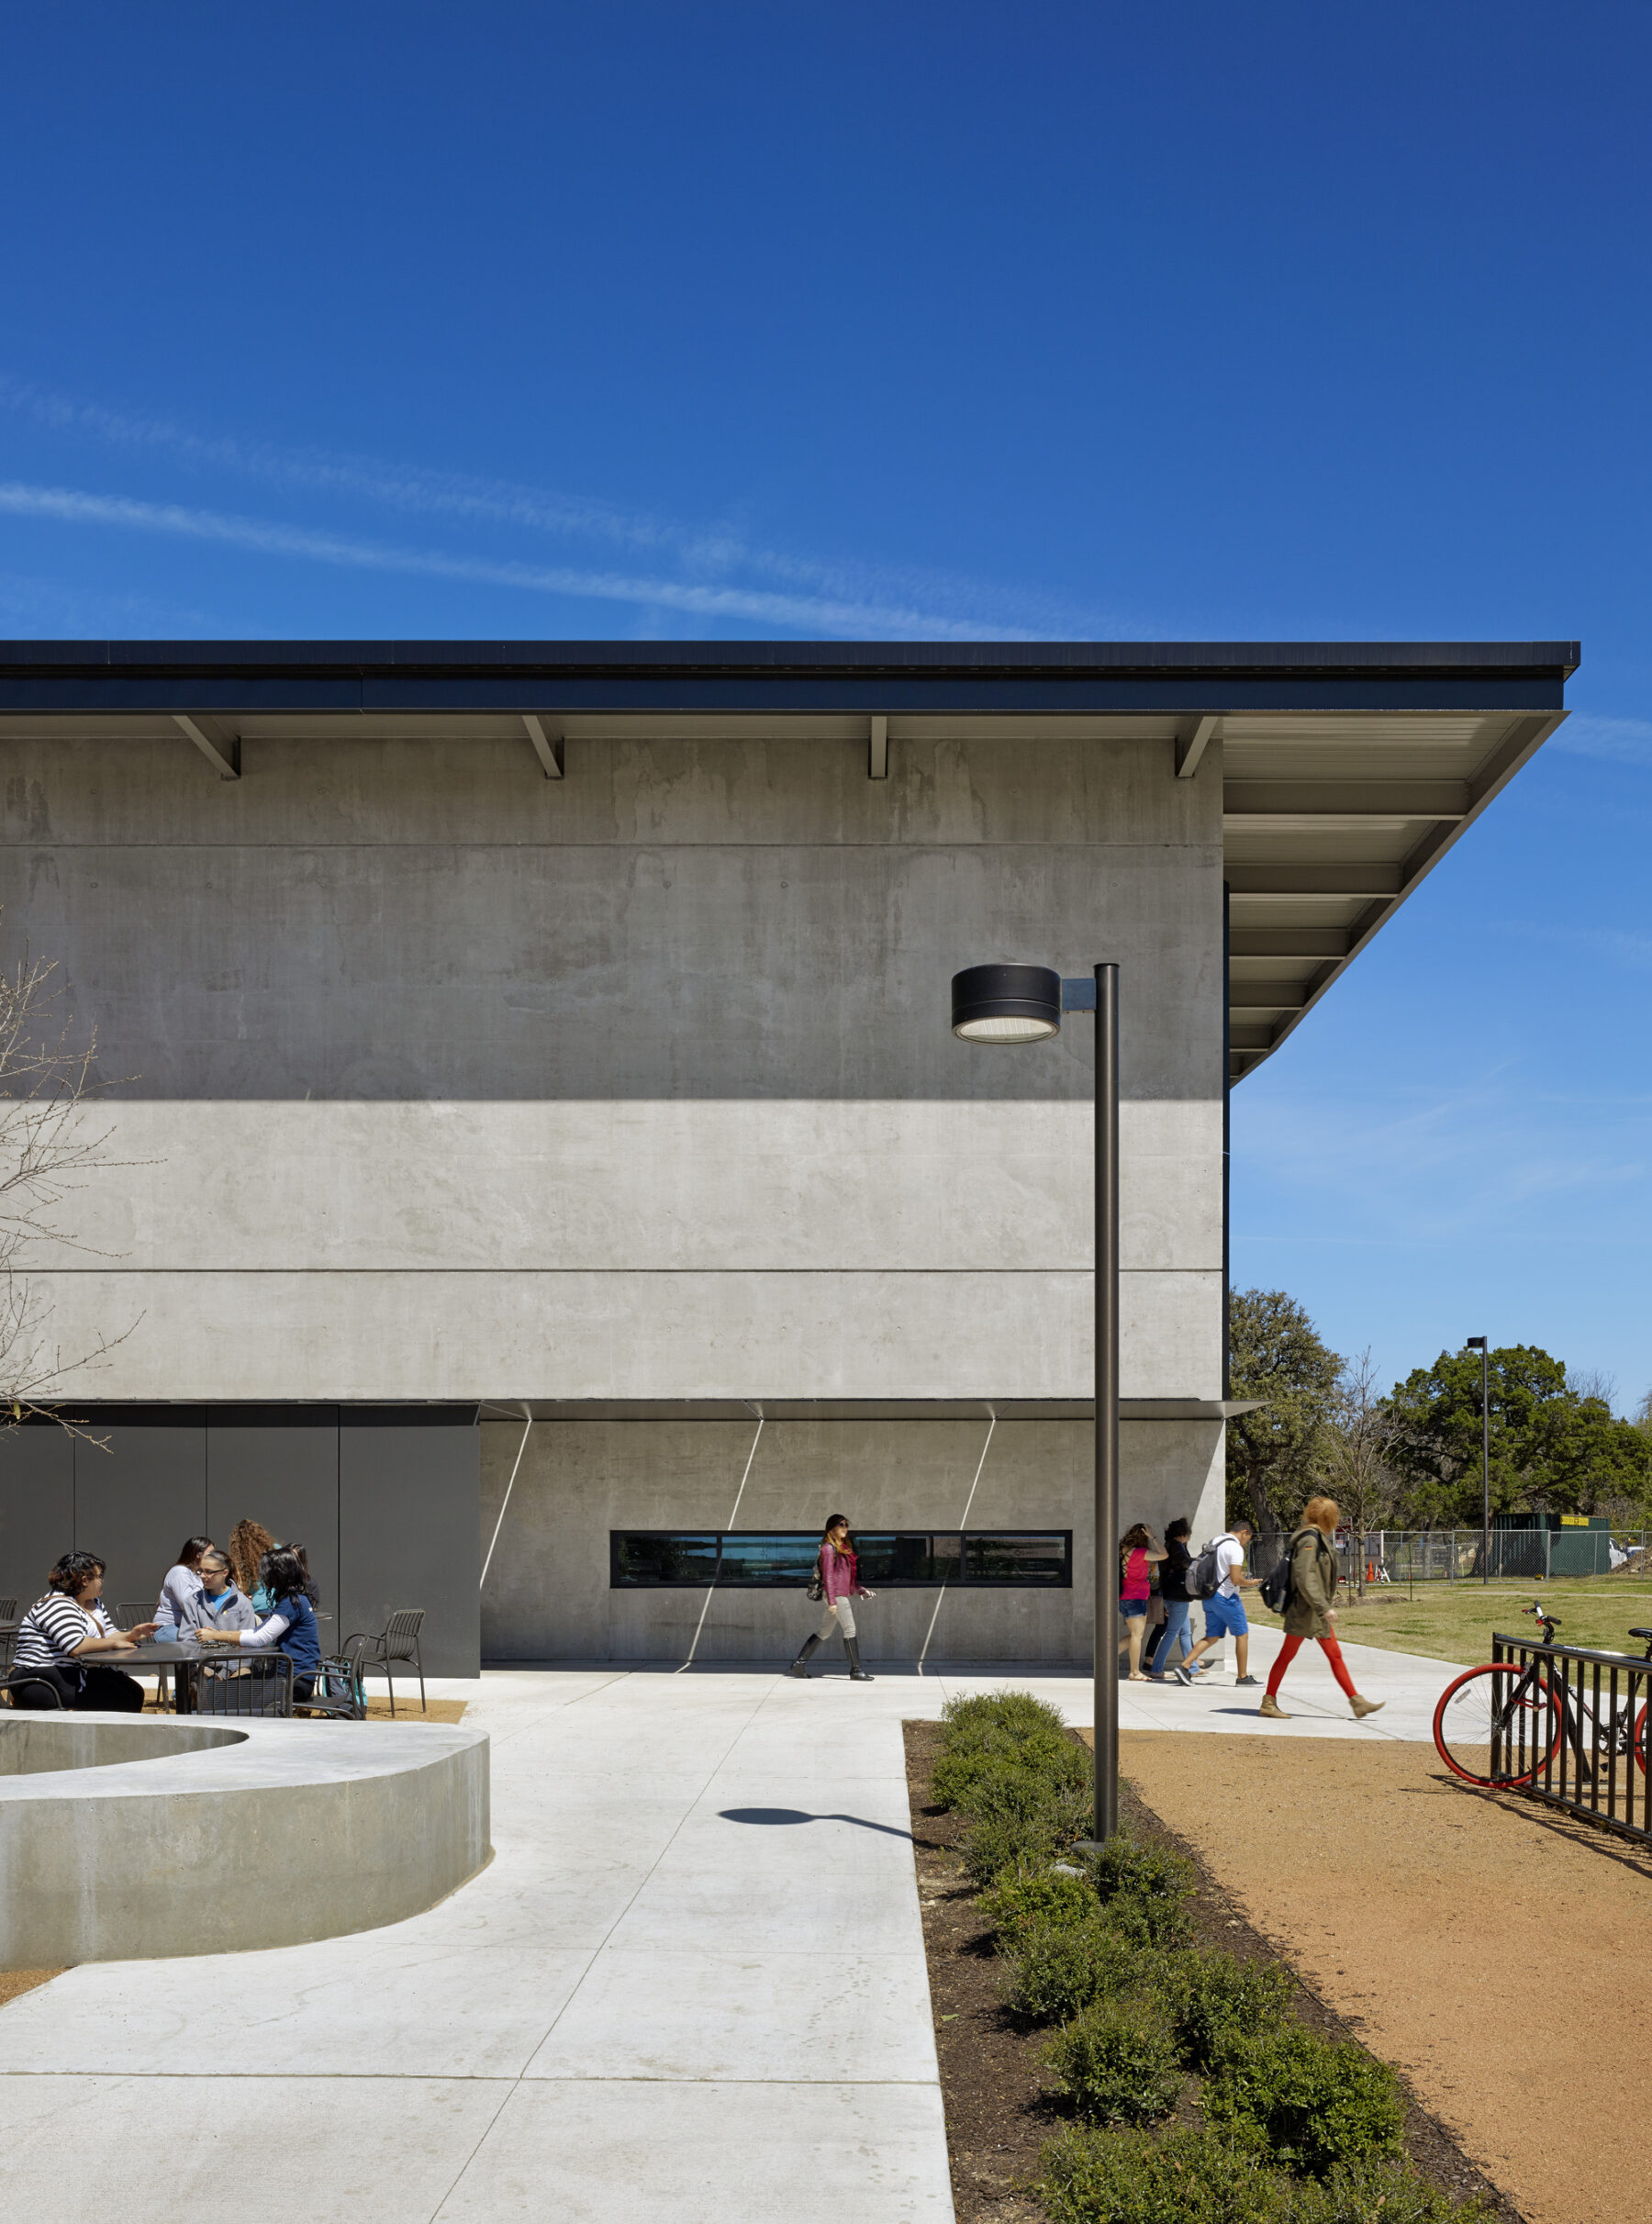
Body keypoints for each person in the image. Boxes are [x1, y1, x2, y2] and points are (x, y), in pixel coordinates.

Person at [1259, 1495, 1384, 1721]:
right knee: (1288, 1656)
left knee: (1333, 1655)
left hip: (1312, 1611)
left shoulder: (1316, 1537)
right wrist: (1323, 1607)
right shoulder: (1311, 1539)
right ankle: (1268, 1701)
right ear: (1329, 1518)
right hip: (1306, 1610)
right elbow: (1304, 1576)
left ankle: (1357, 1702)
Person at [8, 1551, 157, 1710]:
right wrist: (114, 1643)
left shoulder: (94, 1603)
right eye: (100, 1576)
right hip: (41, 1678)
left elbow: (109, 1634)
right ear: (85, 1580)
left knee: (134, 1692)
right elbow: (75, 1646)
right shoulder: (57, 1604)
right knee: (120, 1699)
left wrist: (131, 1635)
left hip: (74, 1673)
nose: (102, 1581)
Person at [193, 1542, 321, 1701]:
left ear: (279, 1573)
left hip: (294, 1681)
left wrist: (216, 1636)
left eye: (268, 1572)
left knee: (219, 1695)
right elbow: (257, 1631)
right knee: (219, 1691)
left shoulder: (292, 1602)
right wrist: (217, 1634)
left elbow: (260, 1638)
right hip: (288, 1677)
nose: (264, 1577)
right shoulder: (293, 1599)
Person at [787, 1514, 877, 1682]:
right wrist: (832, 1601)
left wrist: (862, 1590)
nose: (845, 1528)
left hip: (838, 1594)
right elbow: (828, 1577)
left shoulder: (842, 1549)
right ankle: (856, 1670)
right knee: (850, 1629)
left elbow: (846, 1578)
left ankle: (799, 1664)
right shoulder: (828, 1549)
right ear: (831, 1528)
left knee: (824, 1631)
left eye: (846, 1525)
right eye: (840, 1525)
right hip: (835, 1595)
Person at [1173, 1519, 1262, 1687]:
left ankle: (1184, 1667)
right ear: (1244, 1532)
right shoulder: (1235, 1547)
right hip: (1227, 1597)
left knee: (1212, 1636)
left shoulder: (1216, 1541)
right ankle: (1242, 1677)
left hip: (1210, 1595)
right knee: (1242, 1634)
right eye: (1247, 1538)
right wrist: (1250, 1583)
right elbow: (1236, 1579)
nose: (1245, 1542)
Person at [1116, 1523, 1166, 1681]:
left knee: (1133, 1635)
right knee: (1137, 1636)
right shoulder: (1141, 1553)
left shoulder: (1124, 1551)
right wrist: (1154, 1537)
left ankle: (1105, 1658)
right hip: (1136, 1597)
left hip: (1124, 1597)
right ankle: (1134, 1672)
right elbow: (1163, 1554)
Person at [1150, 1517, 1196, 1680]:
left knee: (1185, 1631)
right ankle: (1157, 1668)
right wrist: (1198, 1562)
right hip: (1178, 1596)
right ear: (1183, 1534)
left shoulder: (1168, 1545)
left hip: (1170, 1594)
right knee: (1172, 1633)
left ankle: (1194, 1667)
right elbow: (1185, 1564)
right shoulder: (1177, 1546)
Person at [180, 1548, 256, 1635]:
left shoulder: (241, 1602)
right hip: (199, 1648)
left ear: (224, 1573)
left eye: (208, 1572)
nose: (202, 1576)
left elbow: (247, 1638)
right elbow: (186, 1639)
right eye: (200, 1571)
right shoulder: (193, 1601)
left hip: (234, 1648)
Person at [153, 1535, 216, 1636]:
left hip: (188, 1627)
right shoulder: (180, 1572)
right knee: (204, 1640)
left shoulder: (198, 1575)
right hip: (169, 1627)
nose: (215, 1557)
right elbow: (187, 1603)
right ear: (198, 1554)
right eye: (211, 1554)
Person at [227, 1518, 276, 1604]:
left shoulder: (241, 1562)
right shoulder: (276, 1550)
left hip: (258, 1605)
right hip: (279, 1602)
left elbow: (242, 1588)